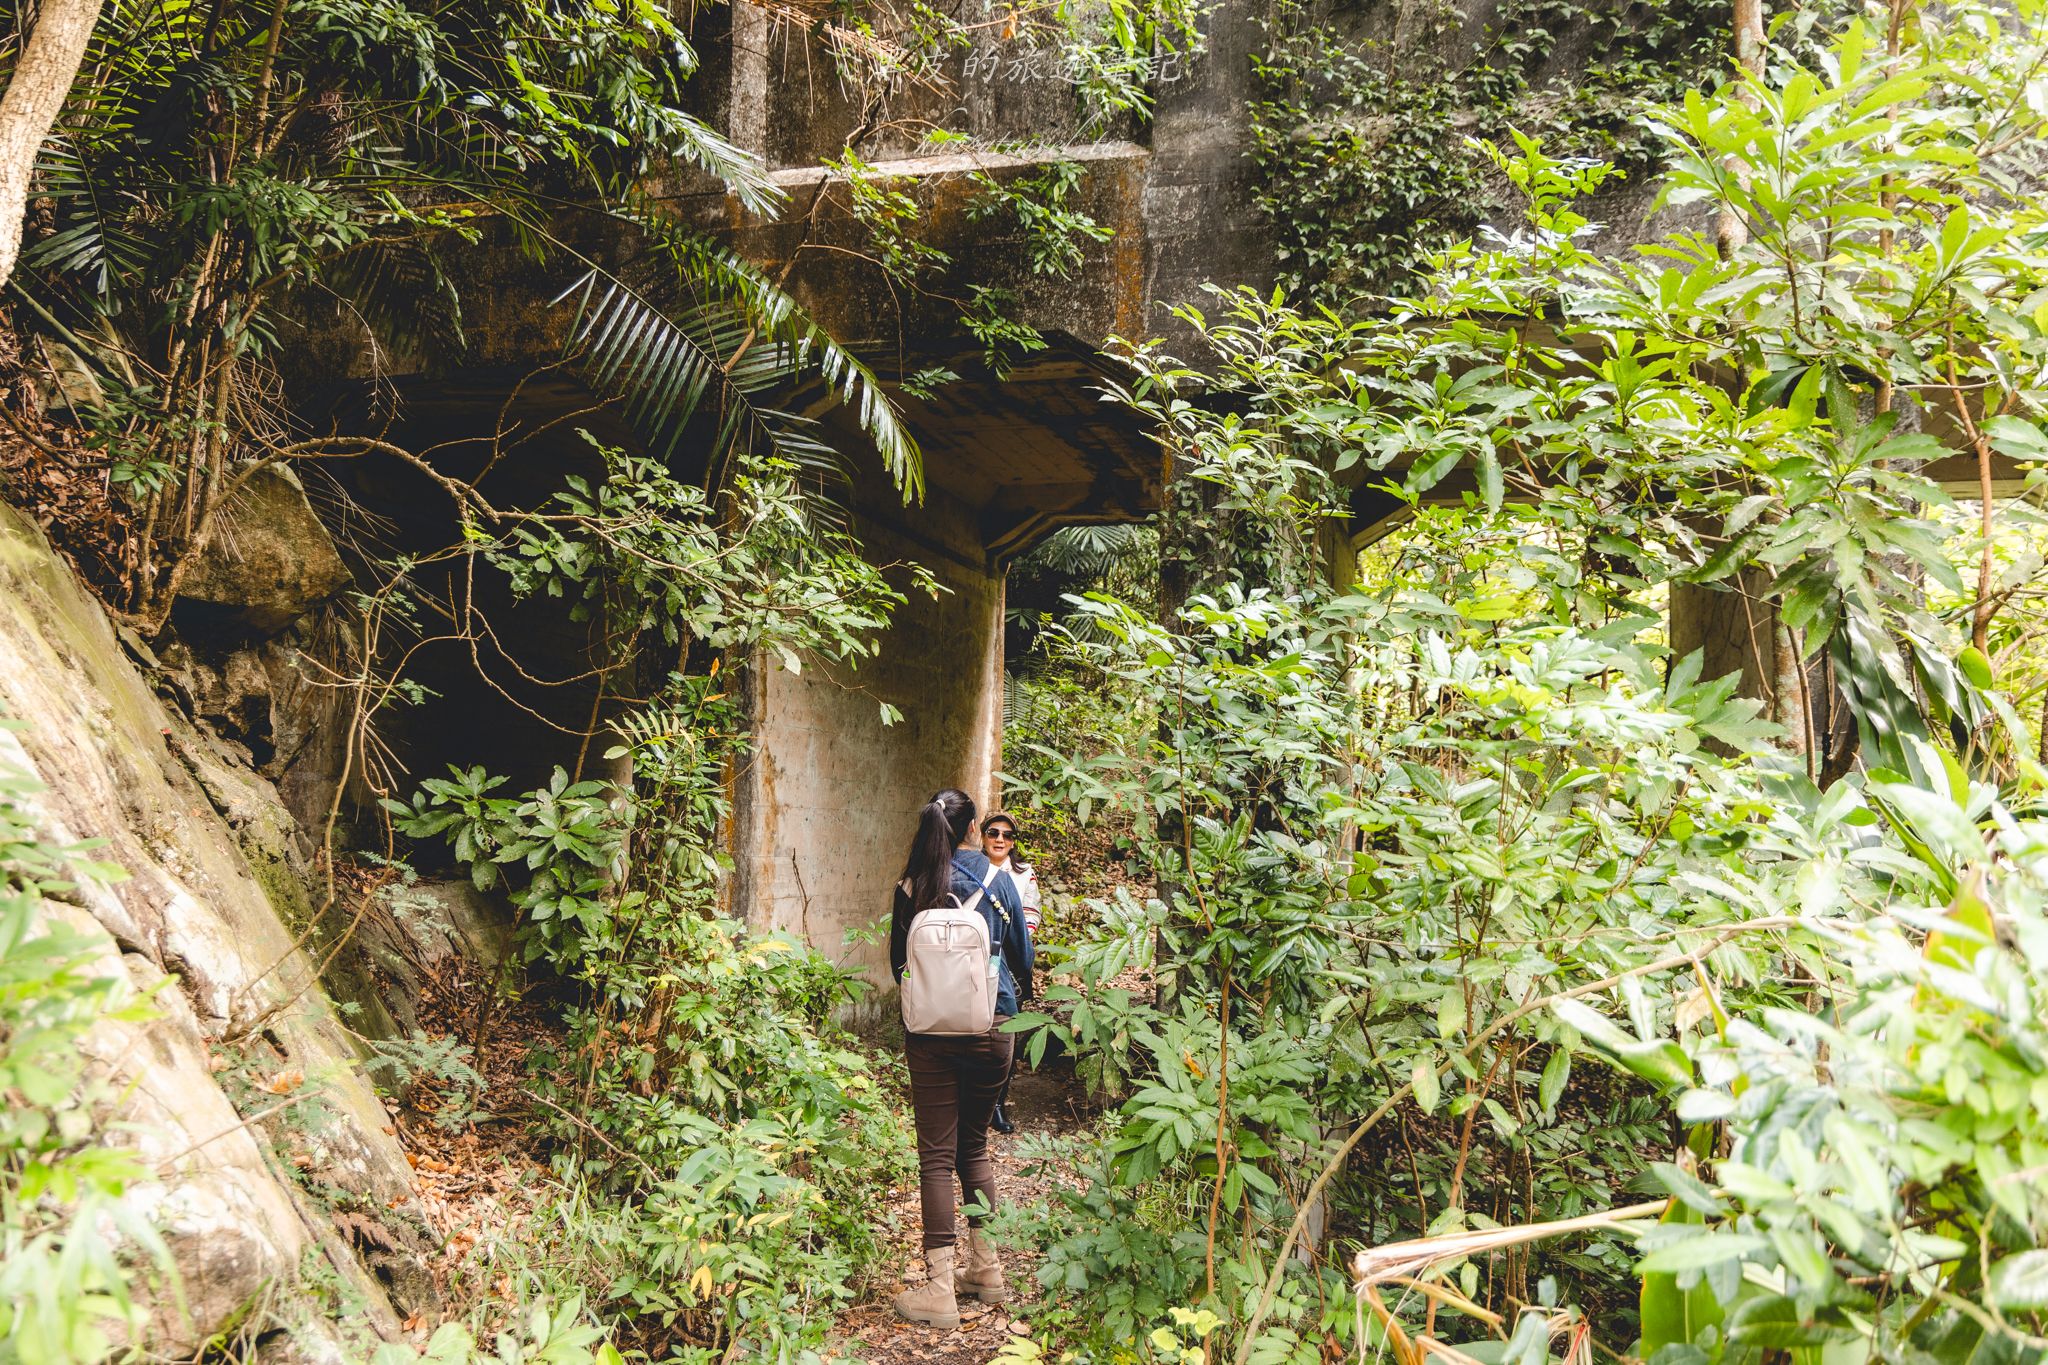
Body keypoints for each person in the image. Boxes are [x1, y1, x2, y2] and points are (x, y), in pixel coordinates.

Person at [888, 788, 1035, 1329]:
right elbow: (1022, 957)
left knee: (935, 1157)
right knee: (973, 1147)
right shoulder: (997, 879)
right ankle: (988, 1270)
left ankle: (938, 1290)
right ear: (973, 830)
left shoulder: (913, 883)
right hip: (992, 1027)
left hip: (929, 1037)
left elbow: (897, 964)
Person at [979, 811, 1039, 1134]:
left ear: (1013, 841)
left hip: (1010, 964)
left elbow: (1030, 918)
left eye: (1006, 834)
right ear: (983, 836)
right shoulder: (970, 871)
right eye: (993, 832)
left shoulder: (1024, 875)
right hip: (974, 960)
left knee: (1007, 1033)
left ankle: (998, 1102)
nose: (999, 839)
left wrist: (1018, 943)